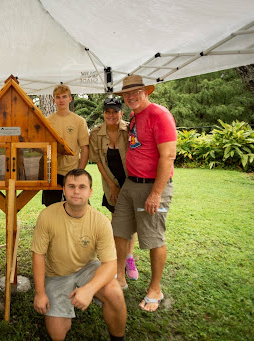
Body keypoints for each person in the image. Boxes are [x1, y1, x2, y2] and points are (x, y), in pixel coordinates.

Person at [32, 169, 127, 341]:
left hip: (88, 268)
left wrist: (90, 289)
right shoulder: (46, 216)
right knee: (57, 333)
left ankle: (118, 338)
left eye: (82, 187)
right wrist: (40, 292)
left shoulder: (101, 221)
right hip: (57, 275)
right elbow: (38, 255)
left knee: (115, 292)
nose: (76, 191)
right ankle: (65, 306)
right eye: (71, 186)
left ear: (90, 191)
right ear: (64, 190)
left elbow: (110, 264)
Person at [112, 75, 176, 312]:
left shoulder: (160, 115)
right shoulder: (134, 116)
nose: (131, 97)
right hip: (131, 184)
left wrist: (156, 193)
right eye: (127, 94)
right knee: (119, 230)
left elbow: (168, 156)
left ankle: (155, 289)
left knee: (153, 238)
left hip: (153, 186)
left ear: (146, 92)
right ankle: (120, 276)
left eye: (136, 92)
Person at [89, 97, 139, 283]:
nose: (111, 115)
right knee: (117, 220)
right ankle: (116, 257)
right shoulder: (96, 134)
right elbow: (99, 162)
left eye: (115, 111)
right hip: (111, 182)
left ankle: (128, 257)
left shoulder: (129, 130)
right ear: (104, 113)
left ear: (121, 113)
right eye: (108, 112)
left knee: (130, 220)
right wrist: (111, 185)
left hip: (131, 179)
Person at [42, 85, 89, 207]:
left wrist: (80, 171)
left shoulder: (79, 121)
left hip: (72, 171)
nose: (61, 100)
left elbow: (84, 148)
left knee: (77, 206)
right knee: (51, 208)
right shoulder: (48, 121)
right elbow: (44, 147)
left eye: (64, 97)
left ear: (70, 99)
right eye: (58, 97)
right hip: (53, 172)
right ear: (54, 100)